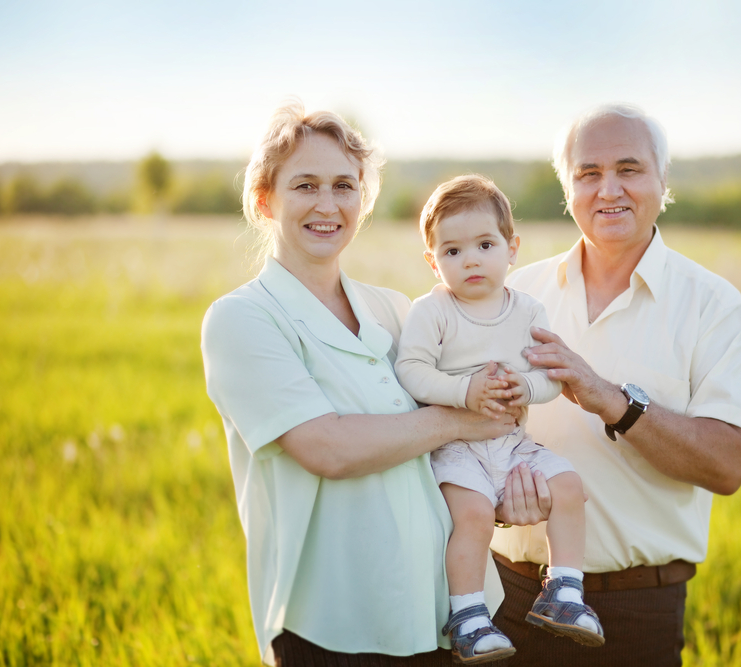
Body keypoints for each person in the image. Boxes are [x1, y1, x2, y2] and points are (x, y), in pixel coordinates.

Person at [200, 101, 520, 667]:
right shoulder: (243, 319)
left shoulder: (395, 310)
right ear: (265, 200)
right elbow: (328, 448)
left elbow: (457, 444)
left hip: (442, 612)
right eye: (305, 185)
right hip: (333, 625)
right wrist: (464, 417)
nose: (327, 205)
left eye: (344, 186)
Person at [489, 104, 741, 666]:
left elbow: (729, 464)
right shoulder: (514, 293)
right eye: (588, 173)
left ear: (663, 182)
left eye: (629, 169)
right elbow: (473, 426)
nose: (608, 188)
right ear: (567, 189)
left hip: (634, 611)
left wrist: (613, 401)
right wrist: (492, 499)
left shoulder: (713, 306)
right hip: (505, 596)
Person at [395, 175, 603, 663]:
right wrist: (464, 390)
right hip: (457, 446)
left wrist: (526, 387)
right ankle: (468, 616)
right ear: (432, 261)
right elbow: (411, 371)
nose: (469, 259)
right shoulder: (434, 311)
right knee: (472, 518)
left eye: (484, 244)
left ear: (511, 249)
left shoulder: (526, 309)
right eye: (451, 251)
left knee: (571, 487)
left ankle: (565, 592)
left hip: (512, 442)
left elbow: (551, 376)